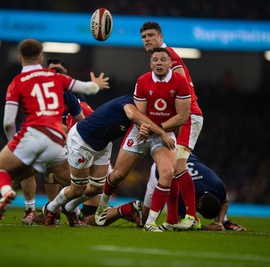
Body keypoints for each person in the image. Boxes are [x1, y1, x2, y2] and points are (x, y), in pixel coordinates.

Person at [0, 38, 109, 228]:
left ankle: (8, 193)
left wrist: (14, 144)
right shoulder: (57, 78)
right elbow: (88, 88)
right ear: (41, 57)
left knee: (0, 172)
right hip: (56, 141)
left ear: (19, 57)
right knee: (76, 185)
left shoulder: (17, 82)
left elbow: (8, 123)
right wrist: (96, 84)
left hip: (32, 136)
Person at [95, 47, 192, 232]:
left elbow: (182, 117)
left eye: (163, 59)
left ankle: (150, 223)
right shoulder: (142, 81)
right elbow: (139, 114)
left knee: (167, 173)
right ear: (150, 63)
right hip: (140, 131)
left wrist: (160, 130)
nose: (159, 63)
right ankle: (102, 206)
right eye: (155, 60)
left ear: (170, 63)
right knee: (117, 175)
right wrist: (146, 126)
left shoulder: (180, 82)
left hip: (163, 132)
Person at [43, 93, 175, 227]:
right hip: (81, 140)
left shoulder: (146, 116)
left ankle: (69, 208)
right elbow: (132, 115)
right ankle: (51, 209)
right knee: (78, 189)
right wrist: (162, 132)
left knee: (98, 187)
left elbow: (141, 125)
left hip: (103, 145)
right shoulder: (129, 102)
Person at [140, 21, 204, 229]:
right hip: (178, 120)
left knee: (177, 167)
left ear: (160, 37)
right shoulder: (162, 59)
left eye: (151, 35)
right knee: (169, 169)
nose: (147, 39)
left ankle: (192, 217)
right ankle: (172, 219)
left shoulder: (169, 56)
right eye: (144, 37)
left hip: (188, 116)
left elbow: (180, 85)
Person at [20, 57, 87, 225]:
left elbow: (82, 121)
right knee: (27, 171)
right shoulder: (36, 91)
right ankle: (31, 210)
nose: (56, 75)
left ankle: (67, 210)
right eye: (52, 71)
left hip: (61, 143)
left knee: (72, 182)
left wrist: (70, 134)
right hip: (36, 138)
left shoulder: (72, 95)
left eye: (60, 72)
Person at [144, 153, 246, 231]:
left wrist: (218, 222)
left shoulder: (217, 185)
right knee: (145, 217)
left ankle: (223, 221)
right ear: (198, 205)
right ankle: (135, 210)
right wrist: (206, 228)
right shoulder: (183, 196)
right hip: (161, 167)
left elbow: (224, 200)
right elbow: (178, 222)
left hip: (184, 156)